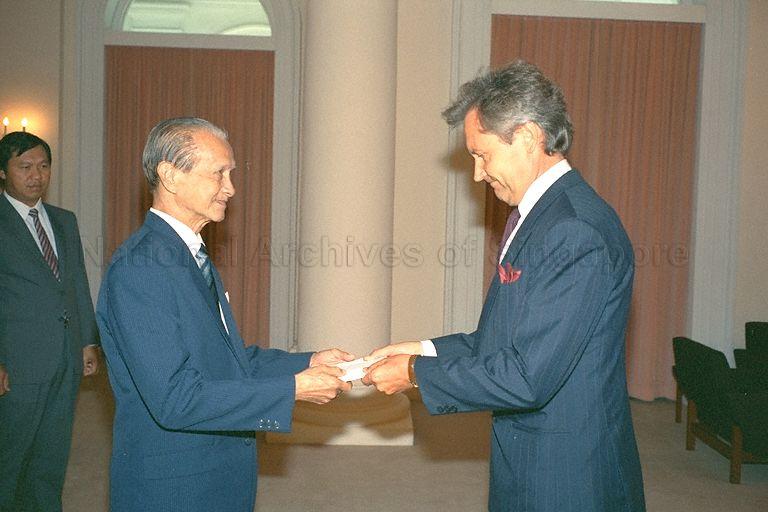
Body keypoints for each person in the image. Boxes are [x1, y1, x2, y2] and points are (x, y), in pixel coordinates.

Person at [363, 61, 646, 511]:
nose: (478, 174)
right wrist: (421, 350)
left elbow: (527, 377)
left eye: (482, 155)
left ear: (528, 137)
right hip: (533, 456)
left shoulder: (574, 230)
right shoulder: (543, 216)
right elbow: (503, 342)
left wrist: (415, 373)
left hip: (568, 475)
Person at [97, 117, 352, 512]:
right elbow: (175, 399)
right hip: (176, 487)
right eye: (219, 173)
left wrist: (308, 362)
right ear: (170, 175)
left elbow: (226, 360)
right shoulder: (141, 268)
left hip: (218, 471)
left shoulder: (188, 253)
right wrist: (292, 390)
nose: (230, 188)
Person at [0, 131, 100, 512]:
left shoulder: (63, 220)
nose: (36, 175)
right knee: (10, 457)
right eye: (24, 167)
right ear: (3, 172)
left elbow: (76, 283)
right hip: (17, 362)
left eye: (43, 166)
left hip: (64, 358)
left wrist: (87, 341)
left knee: (51, 456)